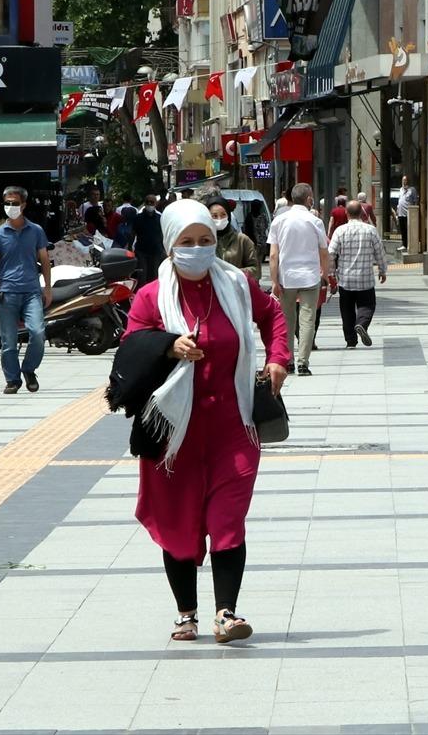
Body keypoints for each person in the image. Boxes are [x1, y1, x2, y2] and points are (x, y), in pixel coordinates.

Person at [122, 199, 289, 644]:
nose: (197, 249)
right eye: (187, 242)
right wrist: (169, 347)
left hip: (233, 427)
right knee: (178, 525)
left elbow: (271, 313)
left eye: (205, 241)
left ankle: (226, 613)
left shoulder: (236, 284)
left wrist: (279, 360)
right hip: (173, 434)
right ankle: (187, 614)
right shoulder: (150, 296)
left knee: (228, 520)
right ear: (170, 245)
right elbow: (131, 349)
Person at [0, 186, 52, 395]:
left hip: (31, 291)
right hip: (7, 293)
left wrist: (47, 288)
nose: (11, 207)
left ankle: (29, 370)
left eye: (15, 203)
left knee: (38, 333)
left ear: (23, 205)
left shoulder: (36, 231)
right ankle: (12, 379)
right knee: (8, 341)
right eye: (7, 203)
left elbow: (45, 260)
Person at [267, 183, 329, 376]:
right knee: (308, 319)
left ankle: (289, 361)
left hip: (287, 277)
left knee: (286, 320)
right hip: (310, 276)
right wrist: (325, 274)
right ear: (309, 198)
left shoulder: (279, 221)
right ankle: (303, 363)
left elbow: (274, 254)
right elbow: (323, 251)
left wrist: (274, 281)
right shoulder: (315, 221)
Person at [329, 200, 388, 348]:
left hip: (345, 279)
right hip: (365, 278)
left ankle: (350, 340)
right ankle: (361, 324)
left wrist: (331, 274)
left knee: (347, 310)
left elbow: (330, 254)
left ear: (346, 213)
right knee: (367, 305)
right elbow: (379, 251)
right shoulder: (370, 230)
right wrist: (382, 270)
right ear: (362, 213)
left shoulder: (340, 231)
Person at [209, 198, 259, 279]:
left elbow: (256, 270)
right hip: (211, 290)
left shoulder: (242, 240)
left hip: (236, 289)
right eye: (214, 216)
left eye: (223, 215)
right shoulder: (203, 242)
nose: (219, 219)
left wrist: (232, 274)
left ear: (228, 215)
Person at [133, 193, 166, 287]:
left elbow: (163, 234)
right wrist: (130, 248)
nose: (149, 204)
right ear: (144, 203)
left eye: (152, 202)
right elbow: (133, 233)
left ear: (155, 204)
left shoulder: (160, 218)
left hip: (156, 252)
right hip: (141, 252)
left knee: (154, 277)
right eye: (147, 202)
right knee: (142, 278)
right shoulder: (138, 218)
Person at [396, 175, 418, 250]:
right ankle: (404, 244)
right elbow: (399, 201)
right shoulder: (400, 189)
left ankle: (410, 245)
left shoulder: (412, 189)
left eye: (405, 180)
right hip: (400, 213)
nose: (404, 182)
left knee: (409, 230)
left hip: (408, 214)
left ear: (408, 181)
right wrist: (397, 211)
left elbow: (415, 201)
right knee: (403, 230)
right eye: (403, 180)